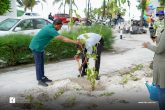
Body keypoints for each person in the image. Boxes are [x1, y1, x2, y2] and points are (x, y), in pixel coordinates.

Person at [29, 19, 81, 87]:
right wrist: (76, 42)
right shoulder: (51, 30)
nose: (60, 29)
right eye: (60, 27)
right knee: (39, 64)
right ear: (56, 25)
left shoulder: (51, 26)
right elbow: (63, 39)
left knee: (41, 63)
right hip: (36, 47)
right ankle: (39, 80)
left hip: (40, 47)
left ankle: (43, 77)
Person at [143, 28, 165, 110]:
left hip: (162, 67)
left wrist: (147, 46)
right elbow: (161, 42)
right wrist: (155, 38)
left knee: (162, 91)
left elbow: (159, 49)